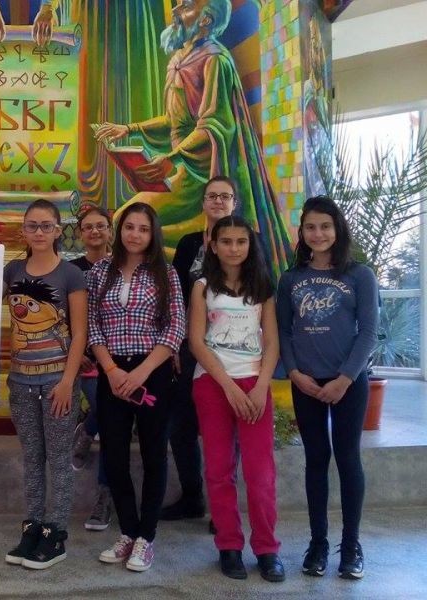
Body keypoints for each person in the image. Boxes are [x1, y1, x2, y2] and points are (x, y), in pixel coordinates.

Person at [93, 0, 292, 278]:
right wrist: (129, 129)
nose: (175, 12)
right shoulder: (178, 59)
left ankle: (178, 277)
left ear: (206, 20)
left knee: (126, 221)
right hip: (182, 170)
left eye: (186, 7)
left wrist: (173, 159)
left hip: (201, 176)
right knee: (129, 223)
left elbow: (214, 124)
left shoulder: (215, 60)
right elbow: (173, 122)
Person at [276, 196, 379, 580]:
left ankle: (350, 546)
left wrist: (345, 378)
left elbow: (368, 333)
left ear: (337, 229)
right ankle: (317, 543)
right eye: (310, 227)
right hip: (306, 383)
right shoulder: (291, 279)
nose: (317, 234)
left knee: (348, 459)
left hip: (348, 382)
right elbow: (284, 331)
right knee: (316, 460)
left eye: (325, 226)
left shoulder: (359, 275)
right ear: (302, 232)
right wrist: (294, 372)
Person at [87, 202, 185, 573]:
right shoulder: (100, 272)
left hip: (151, 372)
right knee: (113, 456)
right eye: (129, 227)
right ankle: (127, 531)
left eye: (143, 229)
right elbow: (92, 324)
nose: (135, 234)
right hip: (112, 373)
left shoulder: (166, 273)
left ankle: (146, 538)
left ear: (152, 233)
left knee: (153, 454)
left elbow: (175, 328)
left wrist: (141, 372)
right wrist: (111, 369)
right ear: (119, 230)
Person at [189, 215, 284, 582]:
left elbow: (272, 342)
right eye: (226, 241)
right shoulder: (202, 287)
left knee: (261, 474)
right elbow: (197, 343)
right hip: (213, 384)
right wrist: (229, 387)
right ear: (213, 246)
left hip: (255, 386)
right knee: (218, 470)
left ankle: (267, 549)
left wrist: (259, 387)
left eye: (241, 241)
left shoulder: (263, 288)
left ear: (250, 245)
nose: (233, 248)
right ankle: (228, 545)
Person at [3, 199, 88, 570]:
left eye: (46, 226)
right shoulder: (11, 271)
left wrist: (68, 381)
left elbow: (80, 332)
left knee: (58, 458)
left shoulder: (71, 274)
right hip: (21, 383)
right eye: (32, 226)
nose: (39, 232)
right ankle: (33, 525)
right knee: (32, 458)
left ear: (58, 230)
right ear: (23, 230)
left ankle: (56, 532)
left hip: (57, 383)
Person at [162, 175, 237, 524]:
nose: (218, 201)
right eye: (212, 196)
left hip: (233, 349)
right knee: (181, 425)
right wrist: (175, 344)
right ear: (203, 203)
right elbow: (176, 298)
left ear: (234, 203)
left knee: (226, 429)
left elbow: (259, 293)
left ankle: (223, 507)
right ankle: (192, 497)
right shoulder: (190, 243)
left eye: (225, 196)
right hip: (190, 346)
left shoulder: (246, 241)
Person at [69, 206, 113, 531]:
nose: (95, 231)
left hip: (120, 359)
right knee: (103, 405)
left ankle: (87, 431)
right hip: (85, 360)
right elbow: (60, 316)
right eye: (88, 227)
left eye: (101, 226)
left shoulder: (123, 267)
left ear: (110, 230)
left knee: (110, 421)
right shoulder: (71, 270)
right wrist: (75, 353)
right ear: (80, 233)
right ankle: (88, 429)